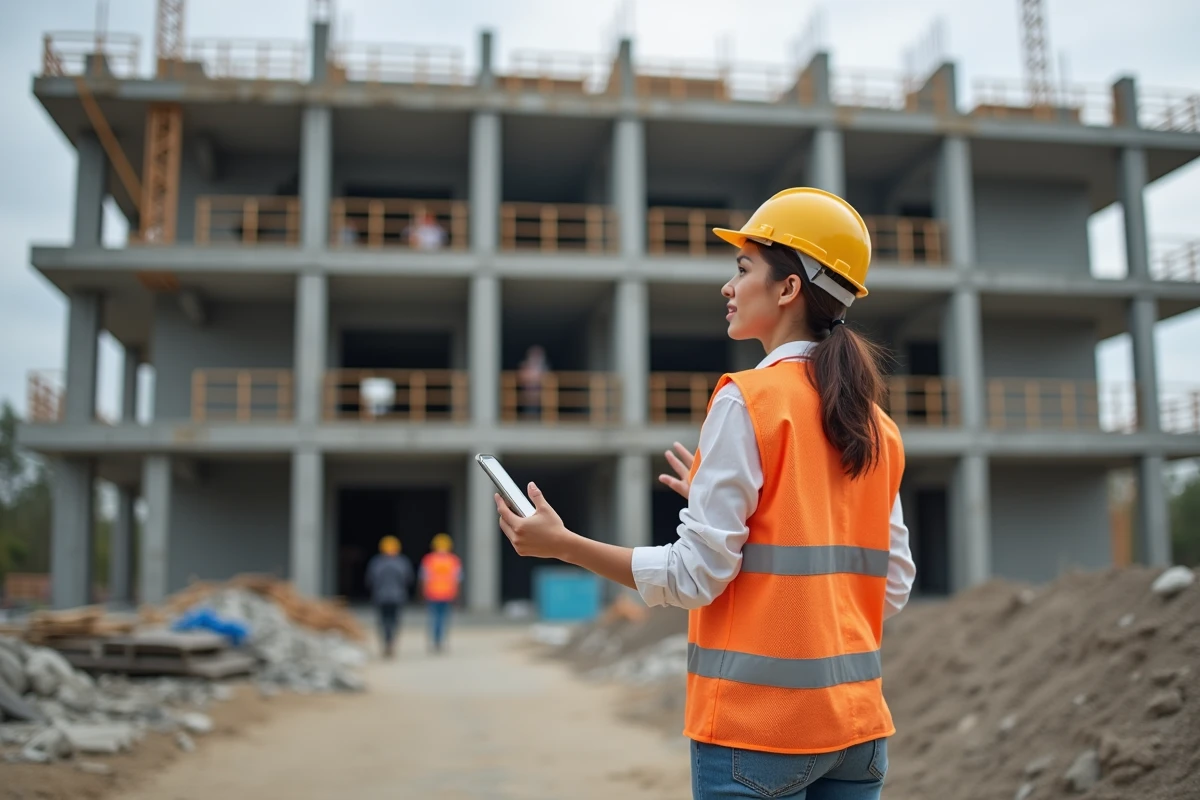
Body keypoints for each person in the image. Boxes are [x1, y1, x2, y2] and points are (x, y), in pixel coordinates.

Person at [493, 188, 916, 799]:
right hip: (857, 731)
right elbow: (890, 586)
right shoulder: (879, 427)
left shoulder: (749, 399)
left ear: (789, 289)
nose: (729, 286)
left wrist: (563, 545)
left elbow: (694, 577)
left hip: (758, 732)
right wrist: (761, 513)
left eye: (743, 268)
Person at [364, 536, 414, 659]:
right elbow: (408, 579)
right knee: (394, 620)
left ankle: (387, 641)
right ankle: (391, 641)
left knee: (383, 620)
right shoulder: (402, 562)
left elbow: (370, 579)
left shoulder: (377, 562)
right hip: (397, 597)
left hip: (380, 597)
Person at [419, 533, 463, 653]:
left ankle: (435, 641)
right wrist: (457, 594)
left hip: (432, 593)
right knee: (444, 618)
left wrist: (422, 593)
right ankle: (441, 641)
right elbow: (457, 579)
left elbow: (424, 578)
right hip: (448, 594)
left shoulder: (429, 559)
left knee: (434, 618)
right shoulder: (453, 560)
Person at [518, 345, 549, 418]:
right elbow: (522, 376)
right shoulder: (525, 364)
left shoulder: (544, 366)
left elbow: (546, 378)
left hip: (539, 393)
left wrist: (533, 377)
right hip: (528, 393)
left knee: (540, 411)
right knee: (528, 410)